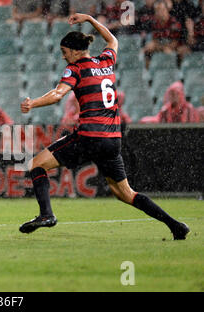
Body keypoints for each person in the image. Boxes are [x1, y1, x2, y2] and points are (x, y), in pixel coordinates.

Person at [18, 13, 190, 240]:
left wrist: (33, 103)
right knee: (125, 193)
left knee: (36, 165)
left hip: (89, 136)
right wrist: (90, 20)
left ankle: (46, 215)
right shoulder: (106, 62)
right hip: (112, 140)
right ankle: (175, 225)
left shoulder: (76, 68)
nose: (63, 58)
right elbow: (113, 41)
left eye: (64, 53)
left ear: (75, 51)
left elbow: (58, 94)